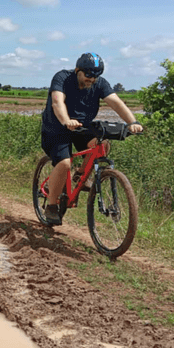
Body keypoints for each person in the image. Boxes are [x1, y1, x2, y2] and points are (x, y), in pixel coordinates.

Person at [40, 52, 143, 226]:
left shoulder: (99, 83)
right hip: (56, 127)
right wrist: (66, 120)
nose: (92, 79)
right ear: (77, 70)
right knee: (64, 163)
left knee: (102, 144)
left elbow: (116, 102)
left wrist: (132, 122)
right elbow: (57, 102)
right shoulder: (62, 78)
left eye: (96, 75)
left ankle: (80, 175)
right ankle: (51, 206)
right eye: (88, 74)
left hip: (82, 127)